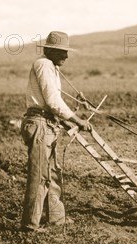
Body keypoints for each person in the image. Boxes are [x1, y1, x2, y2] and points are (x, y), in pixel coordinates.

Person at [20, 31, 92, 232]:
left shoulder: (50, 66)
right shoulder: (43, 65)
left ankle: (56, 220)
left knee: (52, 174)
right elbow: (52, 101)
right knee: (40, 175)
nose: (66, 56)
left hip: (48, 124)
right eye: (62, 52)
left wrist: (68, 122)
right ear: (49, 50)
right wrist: (77, 119)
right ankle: (29, 226)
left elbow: (52, 103)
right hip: (40, 124)